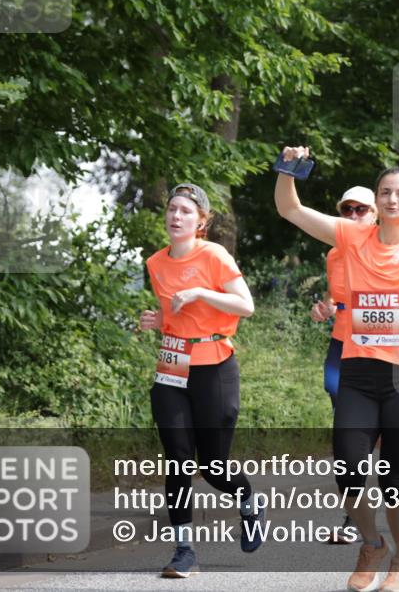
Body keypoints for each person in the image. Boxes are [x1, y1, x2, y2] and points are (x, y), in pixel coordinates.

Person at [275, 112, 399, 592]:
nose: (393, 199)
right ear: (376, 202)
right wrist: (286, 170)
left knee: (395, 477)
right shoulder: (351, 235)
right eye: (386, 192)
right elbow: (291, 211)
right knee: (348, 467)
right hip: (359, 371)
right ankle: (371, 544)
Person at [140, 183, 261, 578]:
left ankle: (246, 499)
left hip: (215, 365)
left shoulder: (214, 256)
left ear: (202, 221)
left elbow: (246, 305)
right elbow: (174, 314)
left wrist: (200, 292)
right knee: (177, 460)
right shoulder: (156, 263)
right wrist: (157, 320)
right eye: (172, 209)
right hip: (173, 366)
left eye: (186, 211)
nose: (176, 216)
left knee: (212, 467)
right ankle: (184, 550)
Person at [310, 186, 377, 544]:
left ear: (375, 214)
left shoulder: (389, 249)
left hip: (380, 351)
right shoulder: (334, 254)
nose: (352, 216)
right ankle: (354, 514)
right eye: (346, 209)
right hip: (342, 345)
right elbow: (335, 299)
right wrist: (325, 309)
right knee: (350, 431)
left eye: (360, 210)